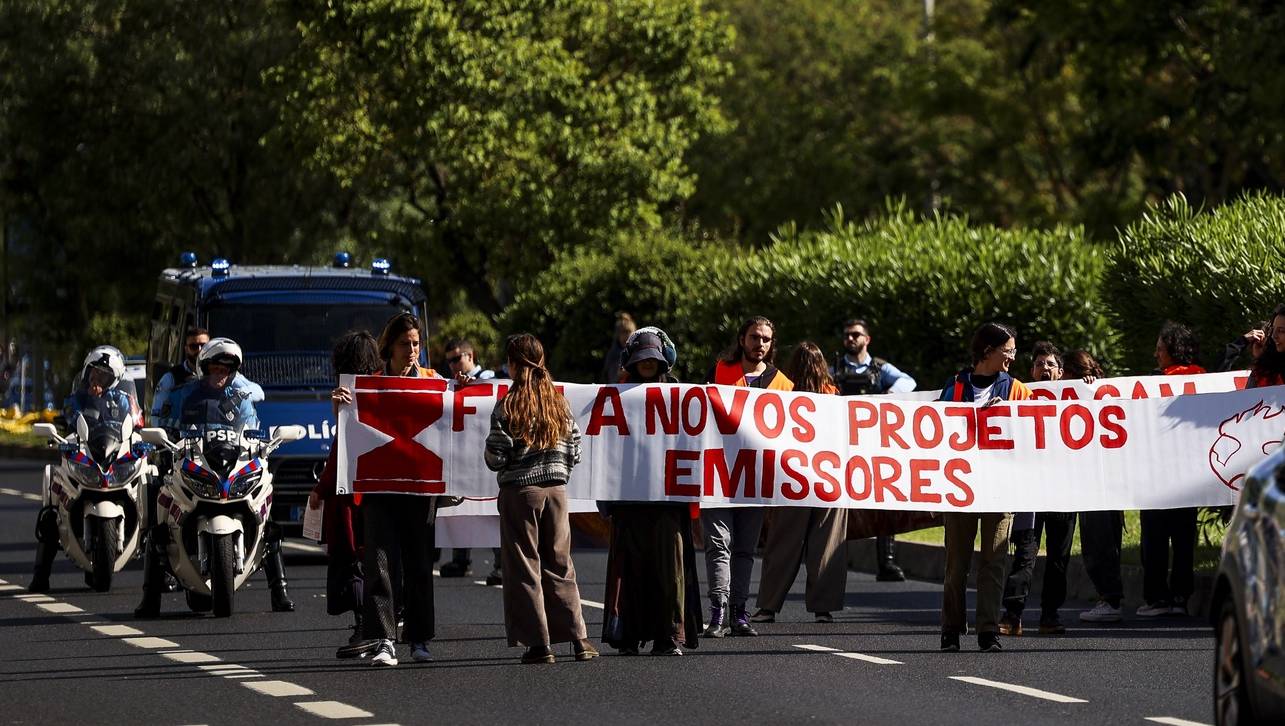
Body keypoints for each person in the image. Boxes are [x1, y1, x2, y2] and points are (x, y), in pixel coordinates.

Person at [136, 337, 294, 616]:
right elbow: (164, 425)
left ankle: (280, 591)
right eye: (214, 369)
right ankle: (150, 597)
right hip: (194, 462)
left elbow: (251, 429)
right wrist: (164, 441)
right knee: (158, 513)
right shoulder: (183, 395)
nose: (220, 374)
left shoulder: (241, 398)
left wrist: (261, 444)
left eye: (225, 369)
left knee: (268, 509)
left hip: (229, 464)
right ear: (204, 369)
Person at [485, 333, 597, 664]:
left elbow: (497, 454)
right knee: (560, 565)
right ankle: (579, 640)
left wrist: (496, 458)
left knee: (524, 567)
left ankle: (539, 644)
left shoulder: (508, 405)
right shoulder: (558, 403)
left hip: (521, 493)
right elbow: (575, 447)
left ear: (514, 364)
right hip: (557, 492)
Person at [600, 327, 701, 656]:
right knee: (629, 570)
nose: (647, 365)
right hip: (628, 500)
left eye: (652, 359)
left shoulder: (679, 396)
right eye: (641, 359)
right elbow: (604, 447)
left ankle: (668, 635)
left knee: (670, 570)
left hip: (667, 501)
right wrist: (606, 498)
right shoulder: (616, 396)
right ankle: (628, 634)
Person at [939, 322, 1032, 653]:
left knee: (994, 561)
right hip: (960, 488)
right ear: (988, 352)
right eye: (1008, 351)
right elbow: (935, 431)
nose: (1011, 358)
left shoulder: (1017, 390)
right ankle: (951, 628)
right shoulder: (954, 387)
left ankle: (988, 630)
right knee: (957, 563)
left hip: (999, 488)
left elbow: (1035, 430)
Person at [356, 312, 442, 666]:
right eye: (405, 344)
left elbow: (456, 410)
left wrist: (464, 387)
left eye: (417, 344)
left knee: (419, 563)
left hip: (420, 489)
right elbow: (352, 428)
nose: (412, 350)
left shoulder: (432, 379)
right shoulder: (370, 383)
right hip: (380, 488)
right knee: (379, 562)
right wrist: (341, 404)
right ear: (389, 346)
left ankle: (419, 638)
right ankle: (383, 639)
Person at [701, 316, 794, 638]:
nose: (760, 344)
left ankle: (740, 615)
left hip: (755, 480)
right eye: (755, 337)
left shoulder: (783, 384)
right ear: (742, 339)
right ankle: (717, 613)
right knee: (718, 544)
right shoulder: (719, 373)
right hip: (717, 474)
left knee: (744, 549)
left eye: (766, 339)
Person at [752, 341, 847, 625]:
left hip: (791, 480)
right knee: (827, 546)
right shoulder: (834, 396)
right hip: (830, 481)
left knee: (783, 544)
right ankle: (823, 608)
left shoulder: (783, 395)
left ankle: (768, 606)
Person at [29, 346, 135, 592]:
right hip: (83, 453)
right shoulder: (78, 396)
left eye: (105, 376)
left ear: (115, 380)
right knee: (52, 504)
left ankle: (158, 577)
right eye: (94, 373)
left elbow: (132, 419)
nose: (97, 379)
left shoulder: (121, 399)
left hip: (112, 452)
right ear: (87, 372)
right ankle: (40, 575)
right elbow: (68, 416)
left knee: (152, 491)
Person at [997, 341, 1077, 636]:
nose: (1044, 369)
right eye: (1039, 364)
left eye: (1050, 365)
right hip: (1031, 492)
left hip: (1062, 492)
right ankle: (1012, 615)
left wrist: (1089, 387)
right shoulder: (1020, 397)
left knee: (1059, 558)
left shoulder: (1074, 399)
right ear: (1031, 370)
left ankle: (1050, 616)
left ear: (1060, 373)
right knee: (1025, 555)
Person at [310, 331, 380, 657]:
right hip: (377, 488)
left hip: (353, 493)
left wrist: (322, 487)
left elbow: (342, 449)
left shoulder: (350, 393)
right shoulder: (385, 388)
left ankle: (365, 627)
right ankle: (372, 626)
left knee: (353, 560)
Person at [831, 318, 916, 582]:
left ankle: (887, 562)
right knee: (838, 504)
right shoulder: (834, 368)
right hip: (841, 444)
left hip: (873, 445)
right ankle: (833, 562)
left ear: (867, 339)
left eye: (856, 334)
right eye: (847, 335)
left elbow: (908, 382)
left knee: (884, 502)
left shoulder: (880, 368)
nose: (850, 339)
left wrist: (887, 395)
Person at [1138, 321, 1205, 617]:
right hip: (1189, 474)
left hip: (1157, 474)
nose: (1156, 355)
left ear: (1172, 351)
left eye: (1160, 349)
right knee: (1183, 538)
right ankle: (1180, 596)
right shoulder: (1204, 378)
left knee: (1154, 538)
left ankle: (1157, 598)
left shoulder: (1156, 382)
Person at [1066, 350, 1126, 624]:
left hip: (1101, 483)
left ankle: (1110, 599)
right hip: (1091, 482)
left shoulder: (1096, 395)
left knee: (1100, 540)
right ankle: (1108, 597)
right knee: (1096, 540)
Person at [438, 338, 502, 585]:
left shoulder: (488, 377)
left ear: (470, 356)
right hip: (463, 452)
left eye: (457, 359)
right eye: (449, 361)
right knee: (460, 506)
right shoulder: (453, 384)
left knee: (490, 509)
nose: (453, 365)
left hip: (486, 452)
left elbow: (491, 391)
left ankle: (500, 564)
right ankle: (461, 558)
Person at [1246, 305, 1285, 388]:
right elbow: (1248, 400)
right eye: (1273, 329)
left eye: (1281, 331)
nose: (1274, 336)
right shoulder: (1262, 371)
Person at [598, 312, 636, 384]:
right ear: (618, 335)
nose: (626, 336)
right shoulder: (613, 354)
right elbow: (608, 378)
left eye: (628, 332)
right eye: (623, 332)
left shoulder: (640, 352)